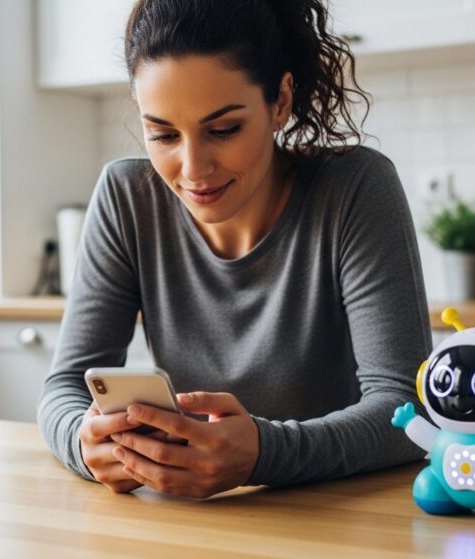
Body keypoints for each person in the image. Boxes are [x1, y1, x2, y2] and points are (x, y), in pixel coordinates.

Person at [38, 0, 431, 498]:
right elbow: (65, 387)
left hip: (341, 516)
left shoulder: (355, 188)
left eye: (223, 129)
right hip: (194, 527)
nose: (193, 168)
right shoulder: (127, 197)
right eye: (162, 134)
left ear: (281, 101)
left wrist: (264, 454)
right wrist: (84, 444)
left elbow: (407, 409)